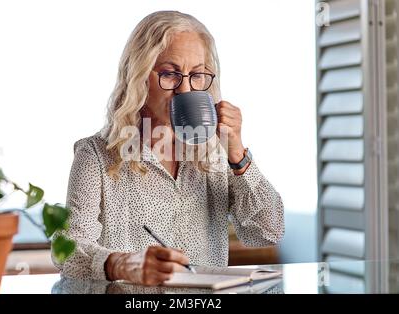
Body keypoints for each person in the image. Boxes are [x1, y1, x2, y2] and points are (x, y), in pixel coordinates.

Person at [52, 10, 284, 286]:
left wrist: (237, 153)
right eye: (170, 74)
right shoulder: (96, 155)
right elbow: (66, 249)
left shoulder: (217, 154)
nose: (185, 90)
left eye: (197, 75)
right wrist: (122, 264)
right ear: (138, 77)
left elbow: (267, 232)